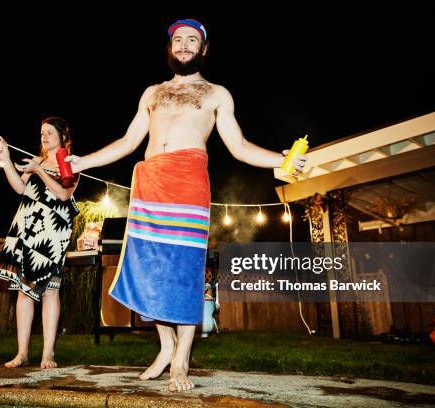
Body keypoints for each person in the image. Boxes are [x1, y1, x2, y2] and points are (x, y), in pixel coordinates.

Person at [65, 19, 306, 392]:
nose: (183, 45)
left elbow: (239, 146)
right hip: (150, 181)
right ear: (169, 48)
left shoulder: (217, 95)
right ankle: (165, 348)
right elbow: (129, 140)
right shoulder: (152, 93)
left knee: (182, 271)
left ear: (203, 49)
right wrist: (84, 162)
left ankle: (181, 361)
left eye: (192, 40)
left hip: (189, 181)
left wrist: (280, 158)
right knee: (148, 266)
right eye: (178, 40)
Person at [0, 116, 80, 369]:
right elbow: (20, 189)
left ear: (63, 136)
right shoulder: (36, 162)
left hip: (51, 234)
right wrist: (6, 160)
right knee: (24, 290)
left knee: (51, 289)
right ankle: (22, 353)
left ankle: (48, 354)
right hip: (27, 227)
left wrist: (39, 170)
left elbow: (64, 194)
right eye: (42, 133)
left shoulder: (70, 163)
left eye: (50, 133)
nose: (44, 137)